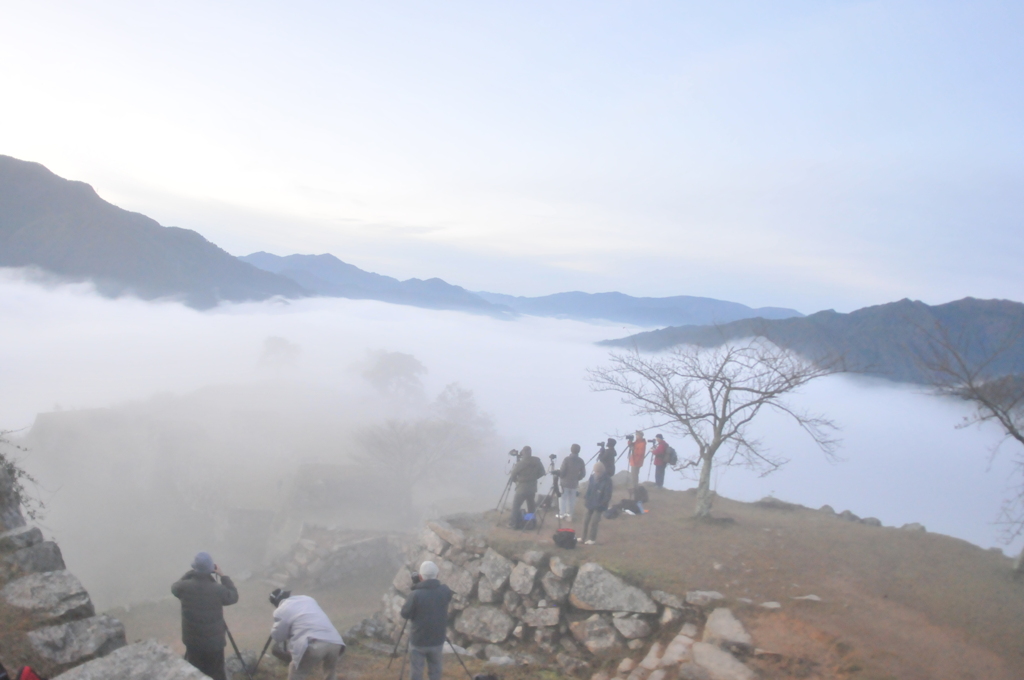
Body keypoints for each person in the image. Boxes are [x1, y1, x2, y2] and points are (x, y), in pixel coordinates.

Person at [171, 552, 239, 680]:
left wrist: (190, 573)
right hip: (214, 644)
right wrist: (223, 576)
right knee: (217, 673)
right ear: (211, 569)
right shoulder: (218, 589)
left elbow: (174, 588)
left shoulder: (184, 587)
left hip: (193, 642)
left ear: (194, 568)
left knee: (195, 674)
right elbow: (233, 596)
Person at [269, 589, 346, 680]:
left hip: (314, 643)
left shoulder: (281, 610)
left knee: (297, 673)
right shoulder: (307, 599)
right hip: (335, 641)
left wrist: (274, 629)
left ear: (276, 603)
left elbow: (278, 636)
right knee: (330, 672)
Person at [400, 561, 454, 680]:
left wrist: (416, 587)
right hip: (437, 639)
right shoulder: (445, 591)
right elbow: (446, 596)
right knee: (435, 671)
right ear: (438, 575)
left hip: (418, 640)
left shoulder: (415, 595)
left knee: (416, 672)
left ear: (420, 576)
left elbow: (405, 613)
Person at [508, 446, 546, 528]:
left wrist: (517, 481)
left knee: (516, 506)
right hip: (532, 488)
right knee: (531, 507)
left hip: (521, 488)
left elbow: (513, 475)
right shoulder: (537, 461)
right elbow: (542, 472)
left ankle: (513, 523)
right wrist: (535, 477)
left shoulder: (520, 463)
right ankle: (530, 523)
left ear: (523, 453)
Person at [582, 461, 613, 545]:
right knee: (585, 521)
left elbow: (607, 495)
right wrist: (586, 498)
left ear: (602, 471)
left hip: (599, 505)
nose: (597, 473)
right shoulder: (592, 477)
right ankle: (583, 538)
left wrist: (602, 504)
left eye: (598, 471)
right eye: (595, 471)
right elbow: (589, 489)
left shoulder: (607, 480)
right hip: (590, 502)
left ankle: (592, 539)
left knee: (594, 522)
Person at [558, 444, 587, 520]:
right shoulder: (581, 461)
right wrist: (577, 478)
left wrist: (561, 476)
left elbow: (562, 471)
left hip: (564, 483)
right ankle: (569, 514)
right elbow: (583, 473)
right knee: (571, 500)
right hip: (574, 483)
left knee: (563, 499)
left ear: (571, 449)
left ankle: (562, 514)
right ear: (579, 451)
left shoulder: (567, 459)